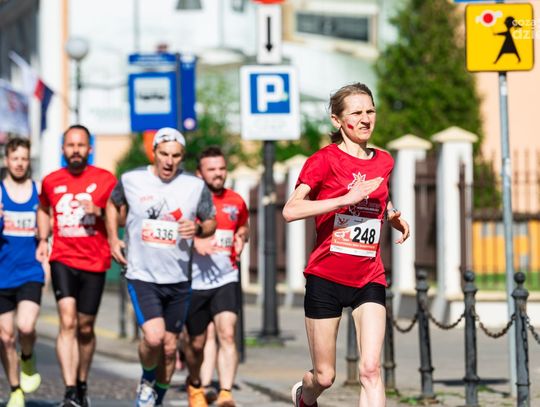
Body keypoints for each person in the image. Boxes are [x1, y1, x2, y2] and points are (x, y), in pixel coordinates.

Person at [282, 83, 410, 407]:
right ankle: (304, 395)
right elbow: (291, 210)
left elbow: (378, 194)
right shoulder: (323, 161)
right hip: (326, 277)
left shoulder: (384, 160)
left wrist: (391, 214)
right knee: (325, 376)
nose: (366, 119)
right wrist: (343, 199)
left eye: (370, 111)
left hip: (369, 276)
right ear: (337, 120)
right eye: (356, 113)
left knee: (371, 370)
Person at [106, 127, 216, 407]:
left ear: (182, 157)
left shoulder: (194, 186)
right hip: (142, 274)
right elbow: (112, 203)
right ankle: (146, 380)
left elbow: (210, 221)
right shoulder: (132, 180)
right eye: (164, 154)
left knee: (169, 349)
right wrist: (113, 239)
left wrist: (198, 228)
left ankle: (157, 399)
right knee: (154, 338)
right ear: (153, 152)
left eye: (176, 156)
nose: (169, 161)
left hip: (178, 278)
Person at [36, 124, 117, 407]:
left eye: (80, 145)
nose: (75, 151)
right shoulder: (51, 181)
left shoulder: (105, 180)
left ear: (89, 149)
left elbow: (121, 215)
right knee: (67, 321)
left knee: (85, 327)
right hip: (63, 258)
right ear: (63, 149)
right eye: (70, 145)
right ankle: (69, 390)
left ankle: (82, 383)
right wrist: (43, 238)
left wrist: (99, 211)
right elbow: (43, 208)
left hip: (95, 261)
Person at [183, 147, 249, 407]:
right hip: (194, 280)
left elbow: (243, 226)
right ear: (199, 173)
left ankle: (225, 393)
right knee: (199, 341)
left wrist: (242, 237)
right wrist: (195, 241)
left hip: (226, 277)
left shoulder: (236, 200)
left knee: (227, 333)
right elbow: (172, 231)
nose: (218, 174)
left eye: (221, 168)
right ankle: (198, 385)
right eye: (211, 169)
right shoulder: (189, 200)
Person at [0, 138, 44, 407]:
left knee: (26, 326)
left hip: (30, 271)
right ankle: (15, 389)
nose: (19, 163)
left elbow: (48, 230)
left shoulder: (38, 192)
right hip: (2, 274)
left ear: (29, 161)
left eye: (24, 159)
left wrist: (46, 242)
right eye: (15, 158)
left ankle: (27, 357)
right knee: (5, 337)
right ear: (7, 160)